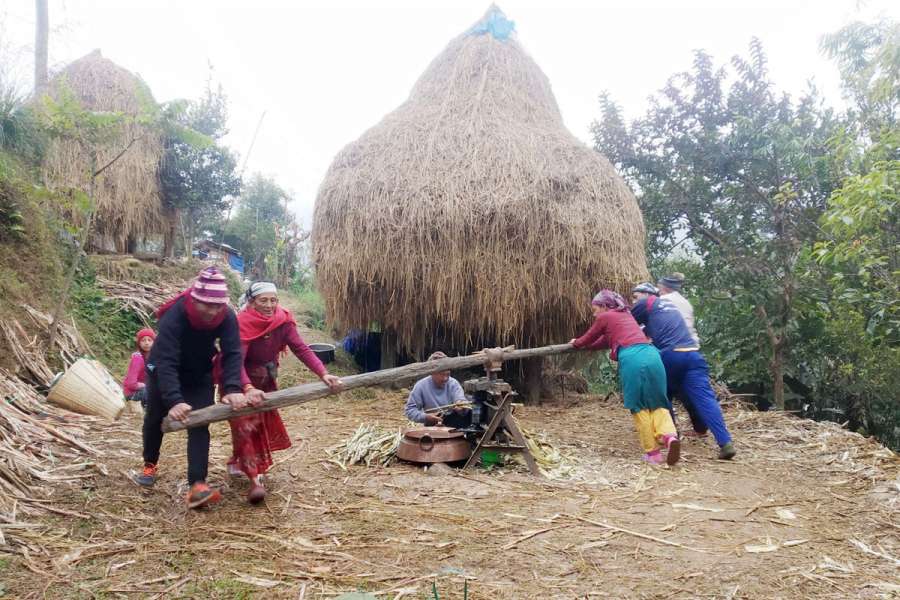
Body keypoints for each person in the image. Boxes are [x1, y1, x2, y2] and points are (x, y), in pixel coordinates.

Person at [134, 266, 247, 509]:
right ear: (194, 299)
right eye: (207, 305)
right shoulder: (175, 315)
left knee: (199, 422)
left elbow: (233, 352)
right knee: (155, 418)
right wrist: (174, 399)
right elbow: (166, 361)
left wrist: (233, 387)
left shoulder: (226, 316)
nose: (212, 311)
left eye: (218, 306)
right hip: (162, 369)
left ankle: (197, 485)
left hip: (199, 372)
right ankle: (150, 464)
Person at [226, 282, 343, 504]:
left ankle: (241, 462)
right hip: (238, 382)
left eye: (273, 300)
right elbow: (235, 361)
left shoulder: (283, 320)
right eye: (263, 300)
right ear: (251, 302)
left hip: (266, 381)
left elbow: (301, 348)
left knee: (257, 425)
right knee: (244, 425)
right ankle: (254, 481)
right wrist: (247, 388)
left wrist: (323, 373)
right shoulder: (241, 323)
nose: (270, 305)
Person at [569, 290, 680, 465]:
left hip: (632, 357)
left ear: (605, 306)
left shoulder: (605, 317)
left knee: (638, 405)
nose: (594, 313)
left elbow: (589, 337)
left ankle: (653, 453)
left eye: (595, 308)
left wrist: (575, 343)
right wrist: (587, 346)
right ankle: (669, 436)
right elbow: (606, 341)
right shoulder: (626, 316)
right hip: (653, 355)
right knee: (658, 401)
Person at [631, 291, 737, 460]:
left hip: (669, 355)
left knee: (662, 397)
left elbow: (626, 326)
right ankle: (725, 443)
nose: (634, 300)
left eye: (635, 296)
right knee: (706, 399)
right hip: (693, 354)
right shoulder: (669, 307)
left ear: (647, 294)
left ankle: (672, 437)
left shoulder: (646, 303)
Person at [404, 352, 471, 429]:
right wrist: (425, 417)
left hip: (453, 427)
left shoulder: (453, 384)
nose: (445, 379)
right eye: (442, 375)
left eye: (448, 375)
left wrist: (461, 406)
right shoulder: (421, 386)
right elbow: (410, 411)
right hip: (432, 428)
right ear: (432, 372)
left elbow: (460, 399)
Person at [657, 273, 699, 346]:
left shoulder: (664, 299)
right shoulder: (686, 303)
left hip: (675, 343)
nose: (659, 293)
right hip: (692, 343)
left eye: (660, 290)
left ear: (666, 288)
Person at [123, 328, 155, 408]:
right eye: (143, 340)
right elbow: (131, 383)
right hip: (133, 393)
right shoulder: (138, 358)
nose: (146, 343)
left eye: (149, 340)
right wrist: (144, 385)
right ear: (139, 343)